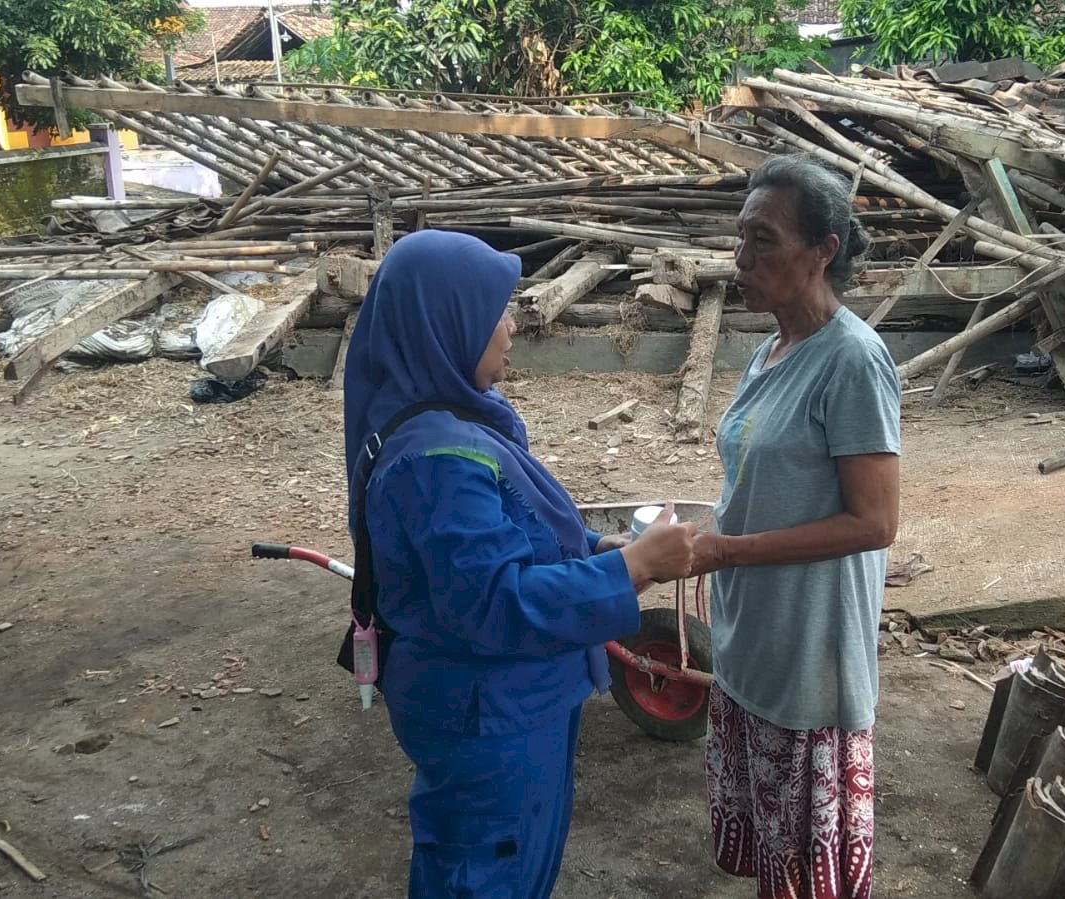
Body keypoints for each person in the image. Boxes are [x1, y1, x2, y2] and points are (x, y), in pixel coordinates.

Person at [342, 229, 698, 898]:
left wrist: (600, 551)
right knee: (483, 875)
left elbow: (518, 534)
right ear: (445, 324)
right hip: (488, 716)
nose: (510, 325)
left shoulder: (456, 419)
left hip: (515, 703)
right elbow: (493, 603)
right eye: (494, 311)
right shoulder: (437, 461)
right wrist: (628, 570)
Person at [690, 155, 902, 899]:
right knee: (773, 862)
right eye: (739, 239)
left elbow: (873, 522)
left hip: (809, 648)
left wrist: (727, 549)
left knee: (806, 875)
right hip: (755, 634)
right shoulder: (769, 350)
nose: (741, 260)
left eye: (763, 240)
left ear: (824, 251)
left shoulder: (852, 360)